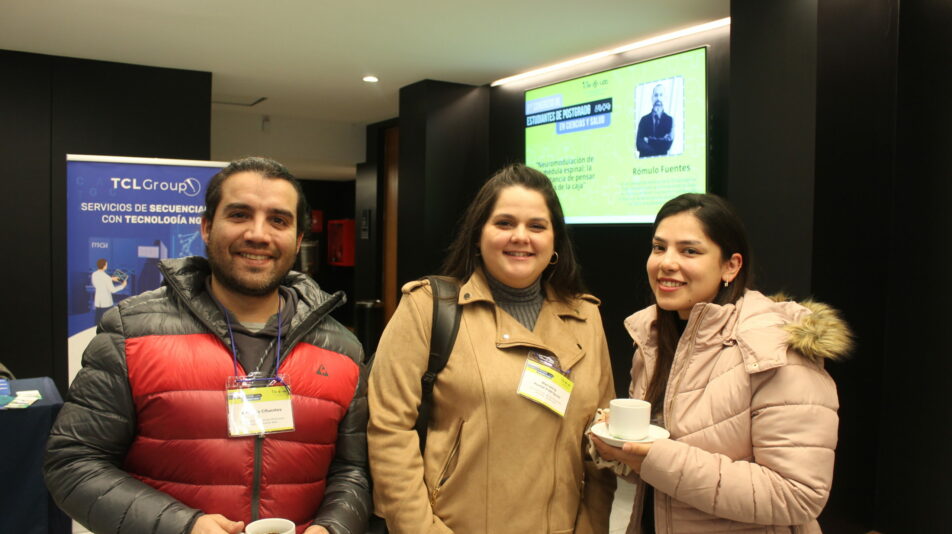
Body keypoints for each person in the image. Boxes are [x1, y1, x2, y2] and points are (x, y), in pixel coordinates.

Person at [45, 157, 370, 534]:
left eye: (278, 220)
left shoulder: (343, 349)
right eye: (239, 215)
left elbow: (353, 471)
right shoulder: (132, 331)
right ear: (206, 227)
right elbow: (73, 463)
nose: (258, 234)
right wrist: (183, 527)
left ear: (298, 240)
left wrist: (333, 528)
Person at [368, 163, 616, 533]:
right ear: (478, 235)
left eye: (537, 226)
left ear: (554, 242)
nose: (521, 236)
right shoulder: (428, 307)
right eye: (504, 223)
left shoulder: (586, 317)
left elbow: (601, 442)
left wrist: (591, 528)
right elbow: (389, 430)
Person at [590, 193, 852, 533]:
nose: (666, 262)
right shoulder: (653, 339)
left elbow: (798, 494)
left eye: (689, 251)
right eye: (659, 247)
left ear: (731, 266)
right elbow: (656, 475)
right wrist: (620, 447)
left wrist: (657, 457)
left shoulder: (775, 349)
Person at [635, 84, 674, 157]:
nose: (658, 98)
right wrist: (659, 147)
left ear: (665, 98)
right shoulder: (644, 120)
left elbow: (667, 145)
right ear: (652, 98)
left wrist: (648, 140)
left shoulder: (669, 120)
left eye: (661, 95)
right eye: (656, 95)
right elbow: (639, 144)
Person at [91, 258, 127, 325]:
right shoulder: (106, 277)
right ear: (104, 266)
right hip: (106, 303)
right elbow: (113, 290)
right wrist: (122, 286)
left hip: (98, 302)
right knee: (107, 323)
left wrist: (111, 279)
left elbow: (98, 283)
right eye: (106, 264)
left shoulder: (94, 274)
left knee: (98, 322)